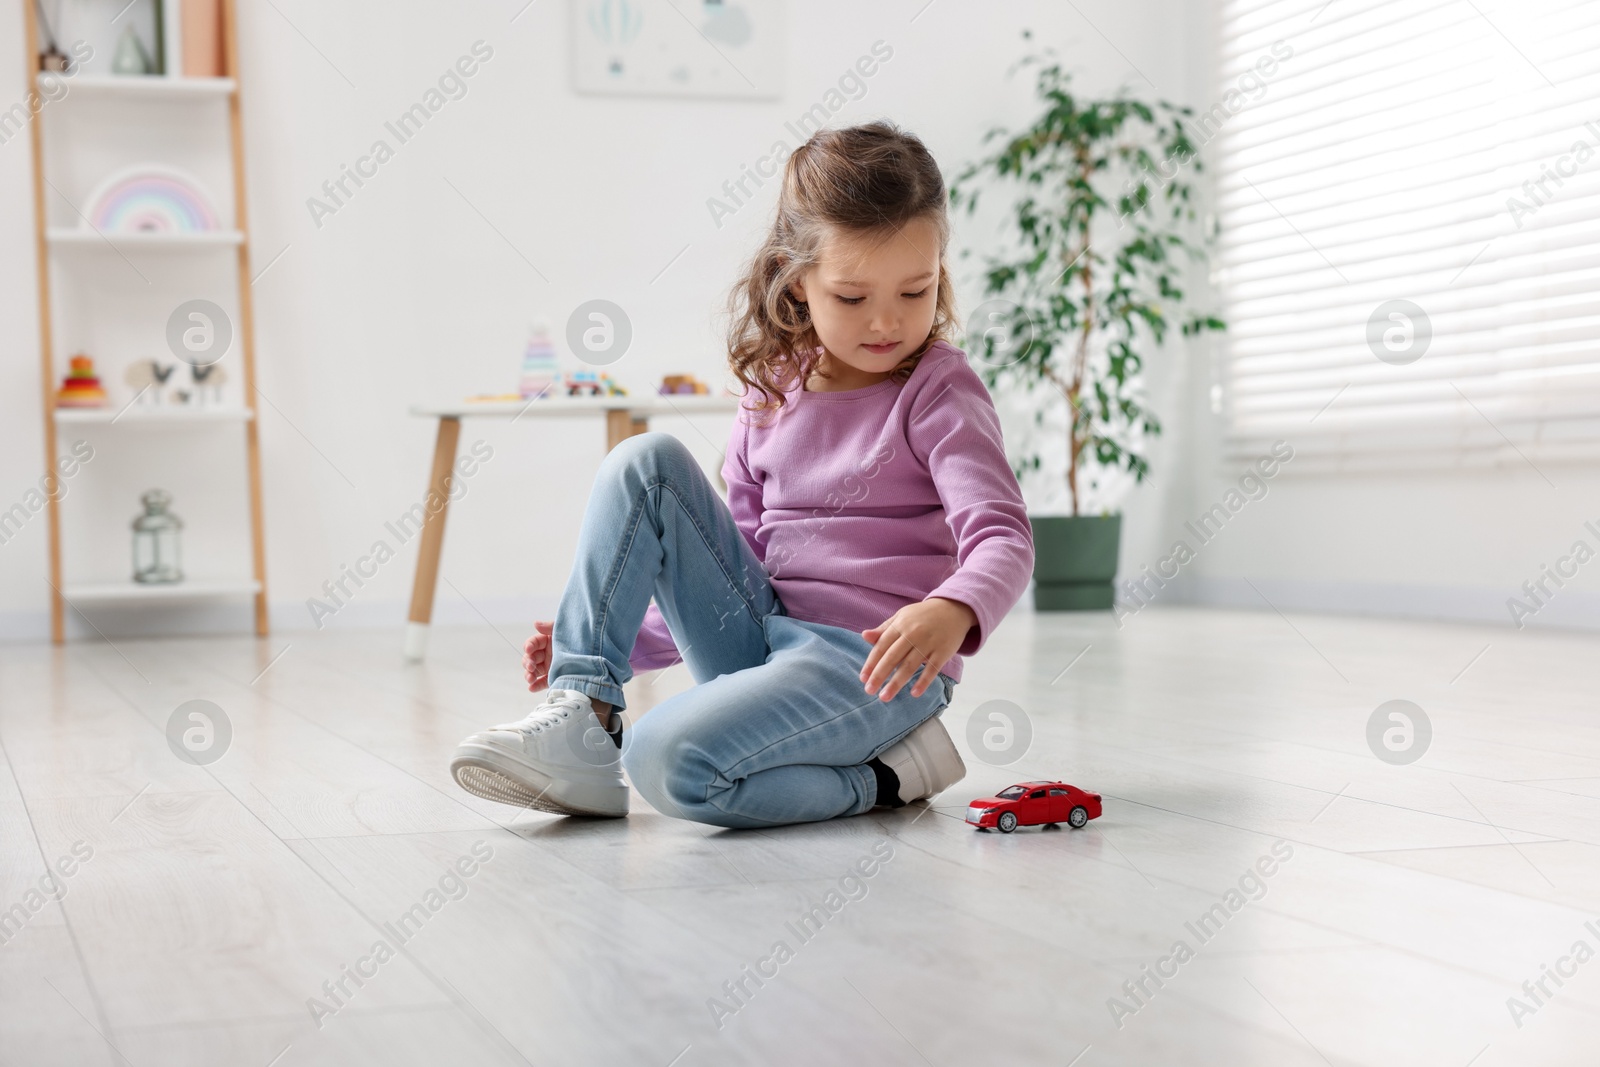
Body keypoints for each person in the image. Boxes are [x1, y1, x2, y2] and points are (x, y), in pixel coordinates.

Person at [449, 121, 1035, 829]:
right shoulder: (772, 388)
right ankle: (584, 712)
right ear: (798, 278)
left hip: (876, 665)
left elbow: (1003, 536)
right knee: (645, 461)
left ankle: (885, 778)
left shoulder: (940, 388)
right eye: (853, 296)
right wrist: (620, 644)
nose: (887, 321)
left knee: (663, 757)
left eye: (916, 291)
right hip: (766, 639)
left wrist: (955, 609)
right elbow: (741, 563)